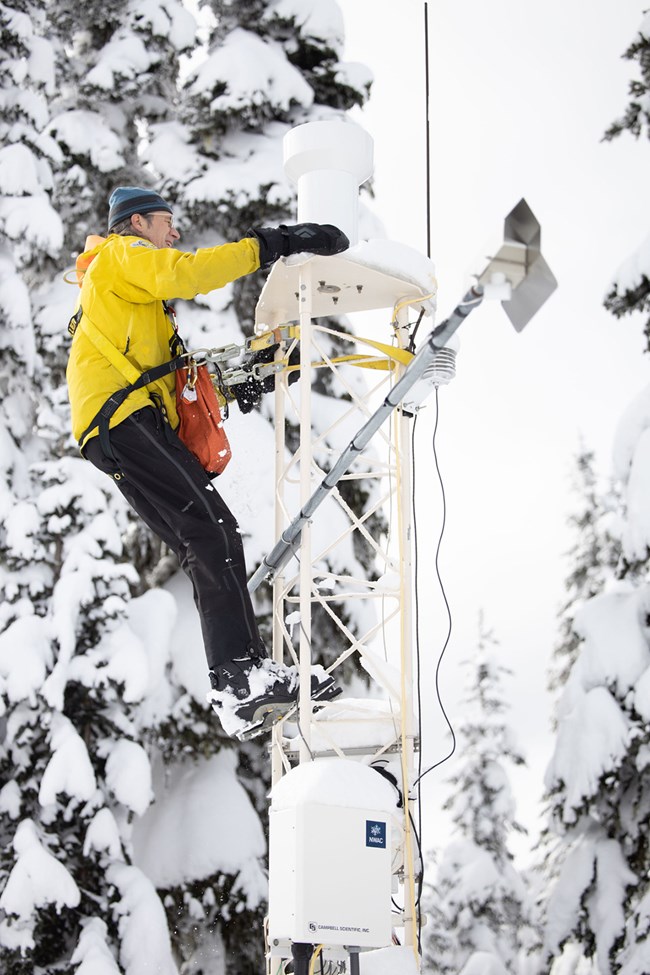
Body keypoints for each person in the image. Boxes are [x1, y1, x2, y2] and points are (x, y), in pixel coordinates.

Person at [66, 186, 348, 738]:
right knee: (212, 530)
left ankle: (243, 683)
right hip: (122, 420)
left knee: (210, 536)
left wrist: (239, 377)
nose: (174, 233)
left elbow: (170, 381)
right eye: (166, 223)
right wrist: (273, 244)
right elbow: (189, 273)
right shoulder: (122, 254)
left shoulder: (131, 296)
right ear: (137, 222)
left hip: (116, 426)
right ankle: (239, 680)